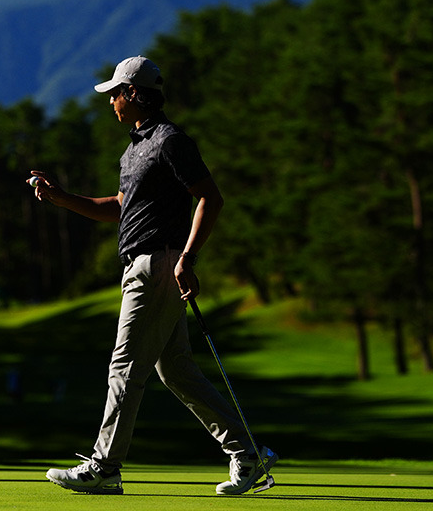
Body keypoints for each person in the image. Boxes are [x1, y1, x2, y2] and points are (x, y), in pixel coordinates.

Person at [29, 56, 277, 496]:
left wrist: (188, 257)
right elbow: (120, 207)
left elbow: (210, 198)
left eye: (115, 95)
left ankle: (105, 467)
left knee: (125, 365)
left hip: (158, 263)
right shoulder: (134, 148)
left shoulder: (170, 141)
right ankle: (248, 453)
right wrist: (63, 198)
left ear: (134, 94)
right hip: (145, 263)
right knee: (176, 370)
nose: (111, 103)